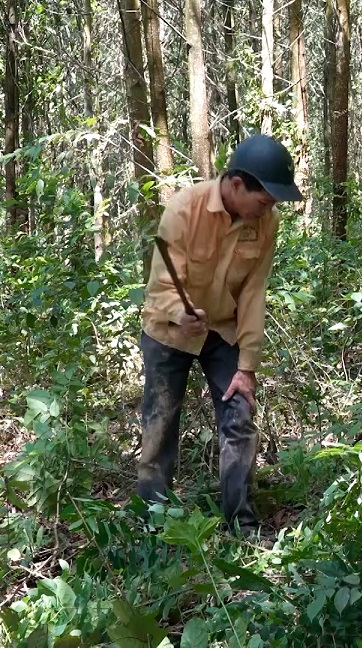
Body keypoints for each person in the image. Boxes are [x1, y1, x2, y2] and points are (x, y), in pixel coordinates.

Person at [135, 134, 303, 534]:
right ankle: (152, 527)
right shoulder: (183, 210)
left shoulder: (266, 222)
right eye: (265, 200)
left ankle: (241, 525)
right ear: (236, 185)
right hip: (169, 332)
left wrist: (247, 365)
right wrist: (181, 313)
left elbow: (253, 291)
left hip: (223, 330)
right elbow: (159, 287)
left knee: (239, 416)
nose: (269, 210)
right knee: (160, 424)